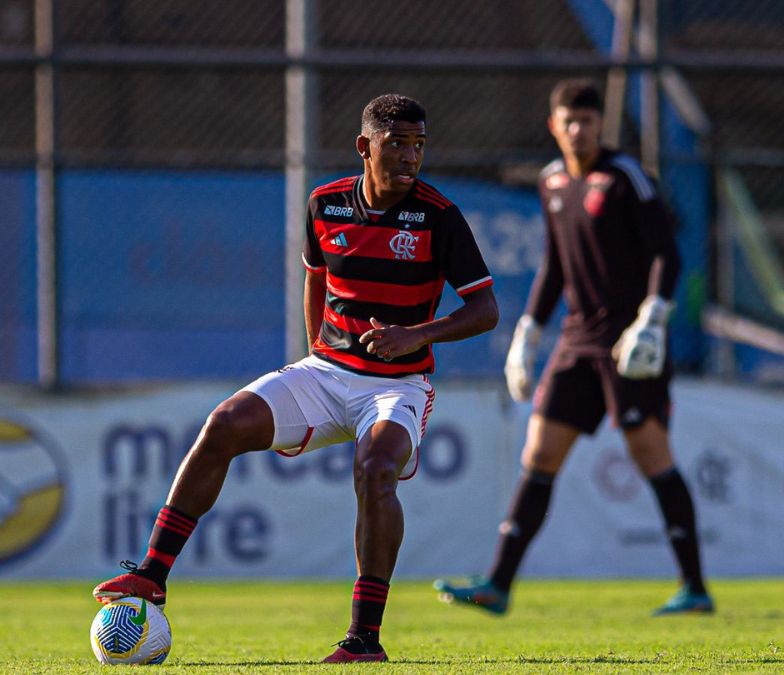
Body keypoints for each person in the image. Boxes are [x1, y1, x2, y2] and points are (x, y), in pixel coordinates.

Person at [92, 94, 499, 663]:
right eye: (397, 144)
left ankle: (364, 639)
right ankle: (151, 576)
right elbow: (314, 278)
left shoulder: (439, 216)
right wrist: (316, 347)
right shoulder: (325, 204)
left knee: (376, 469)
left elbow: (485, 312)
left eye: (419, 145)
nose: (411, 157)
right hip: (326, 373)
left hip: (397, 383)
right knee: (224, 424)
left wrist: (416, 335)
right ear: (365, 147)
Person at [432, 79, 712, 616]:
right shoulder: (552, 181)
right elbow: (557, 265)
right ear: (553, 126)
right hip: (576, 342)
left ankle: (694, 586)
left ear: (598, 125)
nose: (579, 129)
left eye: (588, 119)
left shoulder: (626, 176)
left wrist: (653, 319)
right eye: (570, 120)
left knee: (649, 452)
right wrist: (528, 332)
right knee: (538, 452)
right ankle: (498, 584)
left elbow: (666, 256)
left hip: (630, 340)